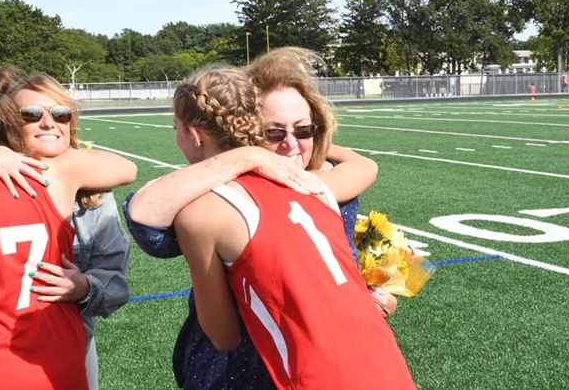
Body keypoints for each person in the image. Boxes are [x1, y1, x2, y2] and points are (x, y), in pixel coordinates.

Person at [170, 65, 414, 388]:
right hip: (382, 372)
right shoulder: (321, 189)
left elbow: (223, 335)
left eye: (303, 131)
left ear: (194, 135)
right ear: (249, 133)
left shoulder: (201, 212)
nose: (291, 144)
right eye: (274, 134)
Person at [0, 68, 137, 389]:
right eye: (32, 114)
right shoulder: (67, 170)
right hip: (50, 355)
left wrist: (86, 288)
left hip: (63, 340)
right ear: (9, 121)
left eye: (61, 113)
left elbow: (115, 280)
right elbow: (129, 168)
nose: (49, 122)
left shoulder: (92, 189)